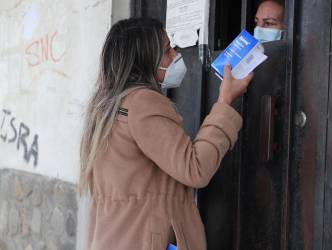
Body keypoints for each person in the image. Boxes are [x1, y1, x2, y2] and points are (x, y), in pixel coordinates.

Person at [79, 17, 253, 250]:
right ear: (144, 61)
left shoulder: (106, 106)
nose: (175, 55)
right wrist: (224, 102)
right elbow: (195, 168)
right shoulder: (143, 103)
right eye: (167, 50)